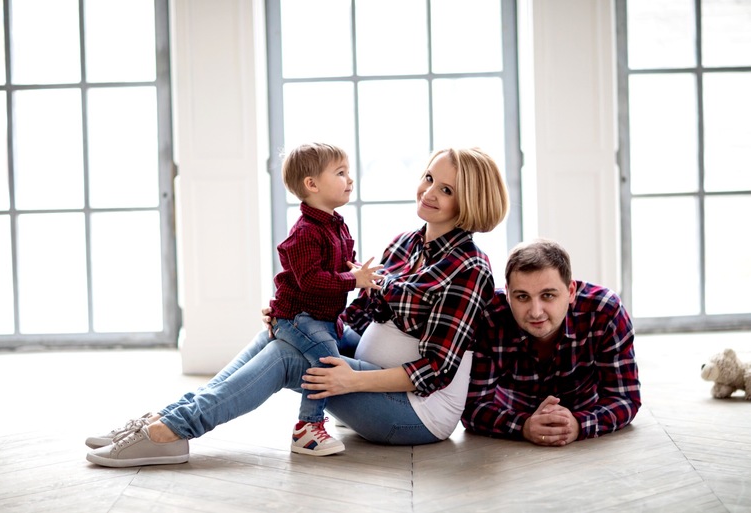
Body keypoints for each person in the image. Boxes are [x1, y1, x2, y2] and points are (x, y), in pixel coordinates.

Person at [85, 146, 510, 468]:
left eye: (446, 189)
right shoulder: (405, 243)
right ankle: (169, 415)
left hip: (415, 412)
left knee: (290, 358)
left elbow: (435, 371)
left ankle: (171, 433)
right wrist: (295, 315)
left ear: (471, 201)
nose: (429, 192)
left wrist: (351, 381)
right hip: (369, 375)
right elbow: (358, 315)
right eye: (429, 178)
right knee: (283, 331)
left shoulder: (469, 268)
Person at [461, 238, 641, 446]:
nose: (536, 312)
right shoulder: (489, 317)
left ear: (571, 291)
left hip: (585, 413)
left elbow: (625, 398)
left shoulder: (605, 312)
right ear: (508, 294)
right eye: (522, 297)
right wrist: (523, 426)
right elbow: (471, 406)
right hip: (511, 417)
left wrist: (579, 424)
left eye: (547, 295)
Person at [267, 143, 382, 456]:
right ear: (312, 184)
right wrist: (353, 279)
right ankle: (308, 427)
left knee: (358, 345)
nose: (350, 179)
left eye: (348, 172)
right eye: (341, 173)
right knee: (328, 363)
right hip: (298, 317)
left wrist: (358, 271)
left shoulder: (336, 224)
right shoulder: (305, 232)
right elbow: (311, 281)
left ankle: (346, 406)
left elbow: (343, 264)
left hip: (326, 317)